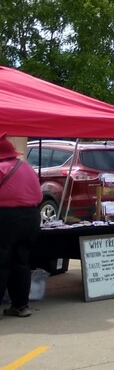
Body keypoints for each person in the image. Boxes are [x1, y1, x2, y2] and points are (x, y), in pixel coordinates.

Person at [0, 135, 43, 317]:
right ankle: (21, 305)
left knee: (1, 263)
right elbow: (39, 195)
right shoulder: (25, 167)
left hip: (6, 217)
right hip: (31, 216)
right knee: (22, 262)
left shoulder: (1, 168)